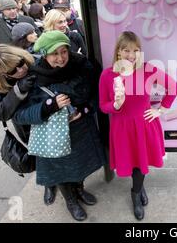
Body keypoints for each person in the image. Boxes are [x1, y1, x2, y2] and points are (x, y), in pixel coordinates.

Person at [13, 31, 106, 221]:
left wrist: (87, 108)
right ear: (45, 54)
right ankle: (70, 200)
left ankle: (79, 189)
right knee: (61, 170)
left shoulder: (82, 65)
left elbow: (99, 92)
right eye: (54, 53)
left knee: (81, 165)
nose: (61, 58)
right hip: (53, 136)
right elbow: (20, 115)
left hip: (82, 130)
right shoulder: (34, 77)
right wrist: (50, 106)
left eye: (64, 51)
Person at [98, 31, 177, 220]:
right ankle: (139, 187)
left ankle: (135, 193)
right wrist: (116, 104)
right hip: (122, 128)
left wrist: (161, 109)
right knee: (132, 162)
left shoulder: (148, 70)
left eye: (135, 50)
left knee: (141, 164)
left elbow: (174, 87)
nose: (131, 55)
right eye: (126, 50)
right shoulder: (108, 75)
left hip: (144, 126)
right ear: (118, 51)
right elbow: (103, 106)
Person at [0, 45, 58, 203]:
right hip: (27, 125)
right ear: (1, 73)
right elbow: (0, 112)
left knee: (60, 151)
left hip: (52, 116)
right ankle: (49, 182)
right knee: (41, 155)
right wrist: (18, 90)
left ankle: (70, 183)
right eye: (12, 71)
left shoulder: (34, 61)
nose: (20, 70)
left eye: (20, 63)